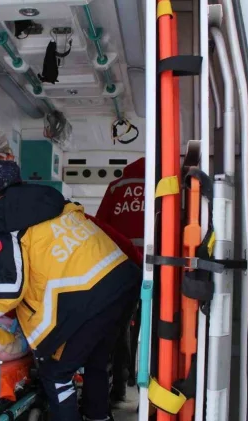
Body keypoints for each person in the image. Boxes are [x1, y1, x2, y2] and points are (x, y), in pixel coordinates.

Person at [0, 160, 140, 421]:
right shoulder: (53, 199)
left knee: (56, 373)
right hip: (124, 281)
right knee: (96, 359)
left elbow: (10, 288)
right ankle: (98, 417)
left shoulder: (2, 218)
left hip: (92, 293)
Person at [95, 157, 146, 403]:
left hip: (122, 267)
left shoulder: (116, 186)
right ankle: (149, 391)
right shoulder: (164, 185)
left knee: (119, 328)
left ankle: (118, 388)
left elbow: (100, 227)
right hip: (158, 268)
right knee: (156, 328)